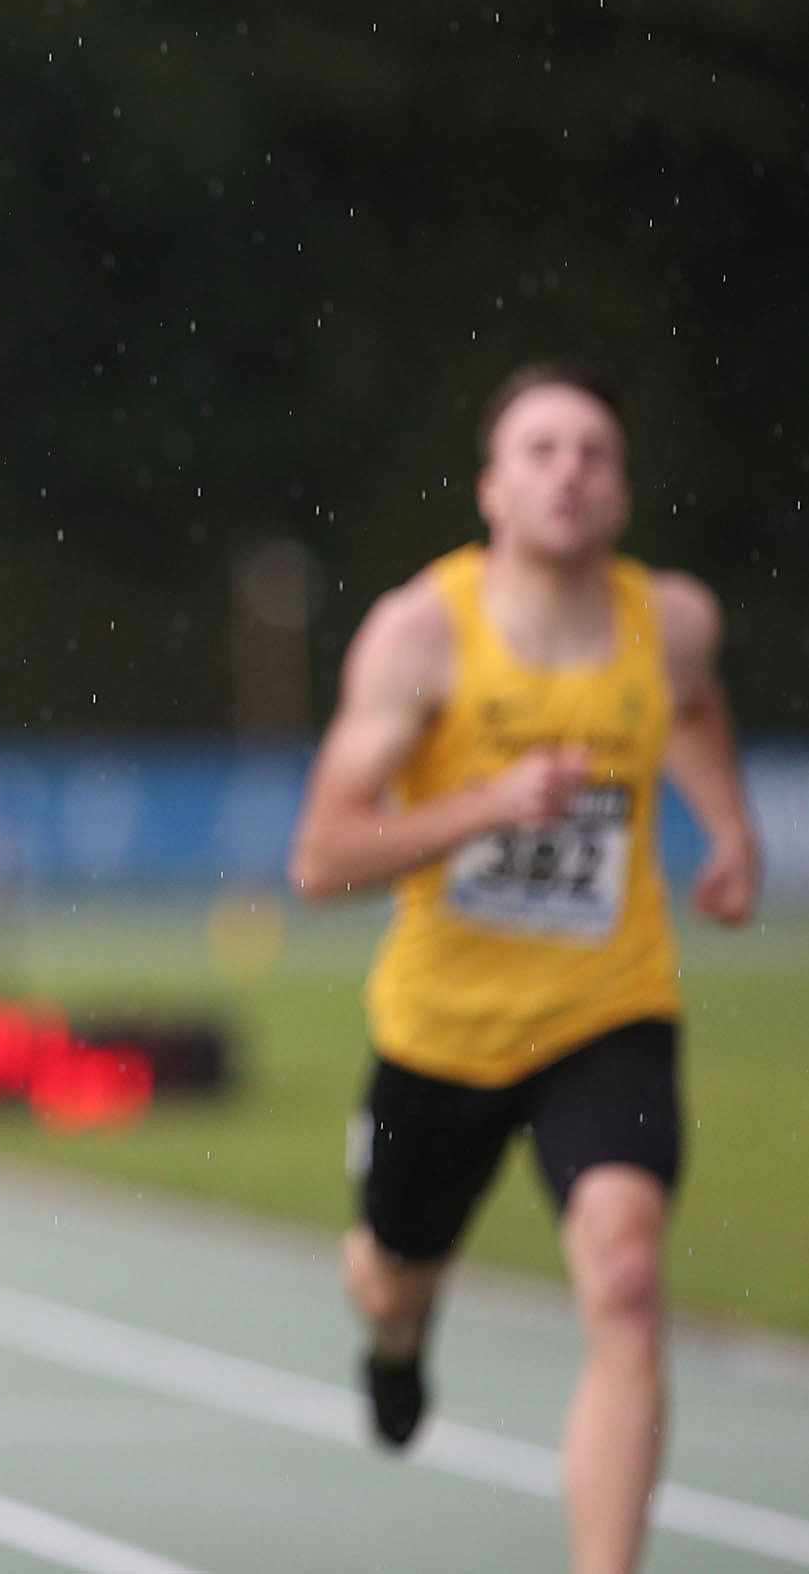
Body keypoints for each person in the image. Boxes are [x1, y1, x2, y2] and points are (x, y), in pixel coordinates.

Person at [286, 362, 757, 1574]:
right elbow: (322, 855)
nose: (570, 471)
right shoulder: (423, 632)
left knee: (628, 1282)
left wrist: (730, 828)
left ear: (622, 493)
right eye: (541, 450)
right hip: (443, 1026)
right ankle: (398, 1337)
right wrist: (488, 803)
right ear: (493, 489)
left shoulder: (672, 622)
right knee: (391, 1280)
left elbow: (696, 706)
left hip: (608, 1007)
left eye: (594, 452)